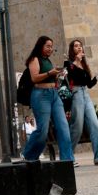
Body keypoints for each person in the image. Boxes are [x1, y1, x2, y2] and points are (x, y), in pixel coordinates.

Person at [21, 35, 75, 163]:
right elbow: (34, 78)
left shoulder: (48, 61)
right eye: (48, 46)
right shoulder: (34, 59)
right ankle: (28, 155)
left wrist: (58, 75)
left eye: (51, 47)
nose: (50, 49)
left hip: (54, 94)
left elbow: (53, 80)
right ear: (41, 46)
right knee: (42, 130)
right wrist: (50, 73)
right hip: (41, 95)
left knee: (63, 127)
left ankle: (67, 160)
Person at [64, 39, 98, 165]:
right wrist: (76, 60)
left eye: (80, 45)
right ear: (72, 49)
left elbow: (89, 84)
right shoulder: (68, 63)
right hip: (76, 95)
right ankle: (68, 157)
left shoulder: (84, 65)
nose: (79, 47)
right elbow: (71, 77)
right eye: (76, 46)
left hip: (85, 94)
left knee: (95, 126)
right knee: (77, 128)